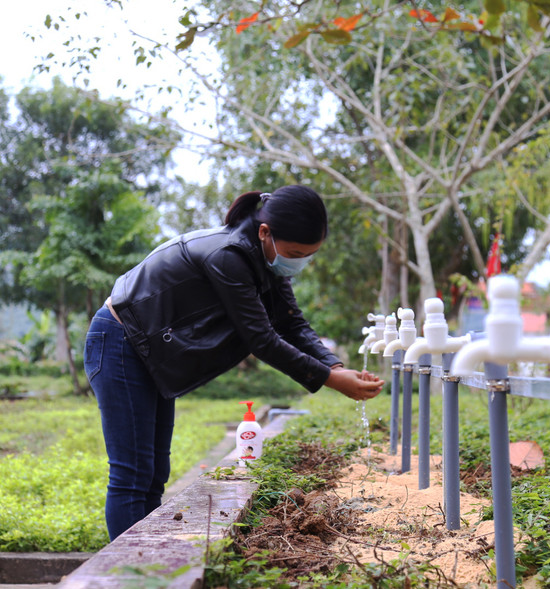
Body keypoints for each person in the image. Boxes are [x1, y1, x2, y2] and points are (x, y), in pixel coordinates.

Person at [83, 185, 383, 541]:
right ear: (265, 233)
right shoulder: (227, 256)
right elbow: (263, 340)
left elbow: (291, 323)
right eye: (296, 253)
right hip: (121, 343)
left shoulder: (266, 261)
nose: (300, 261)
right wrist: (331, 381)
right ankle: (132, 575)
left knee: (154, 473)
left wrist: (333, 367)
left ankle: (148, 568)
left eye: (309, 254)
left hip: (148, 349)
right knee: (132, 476)